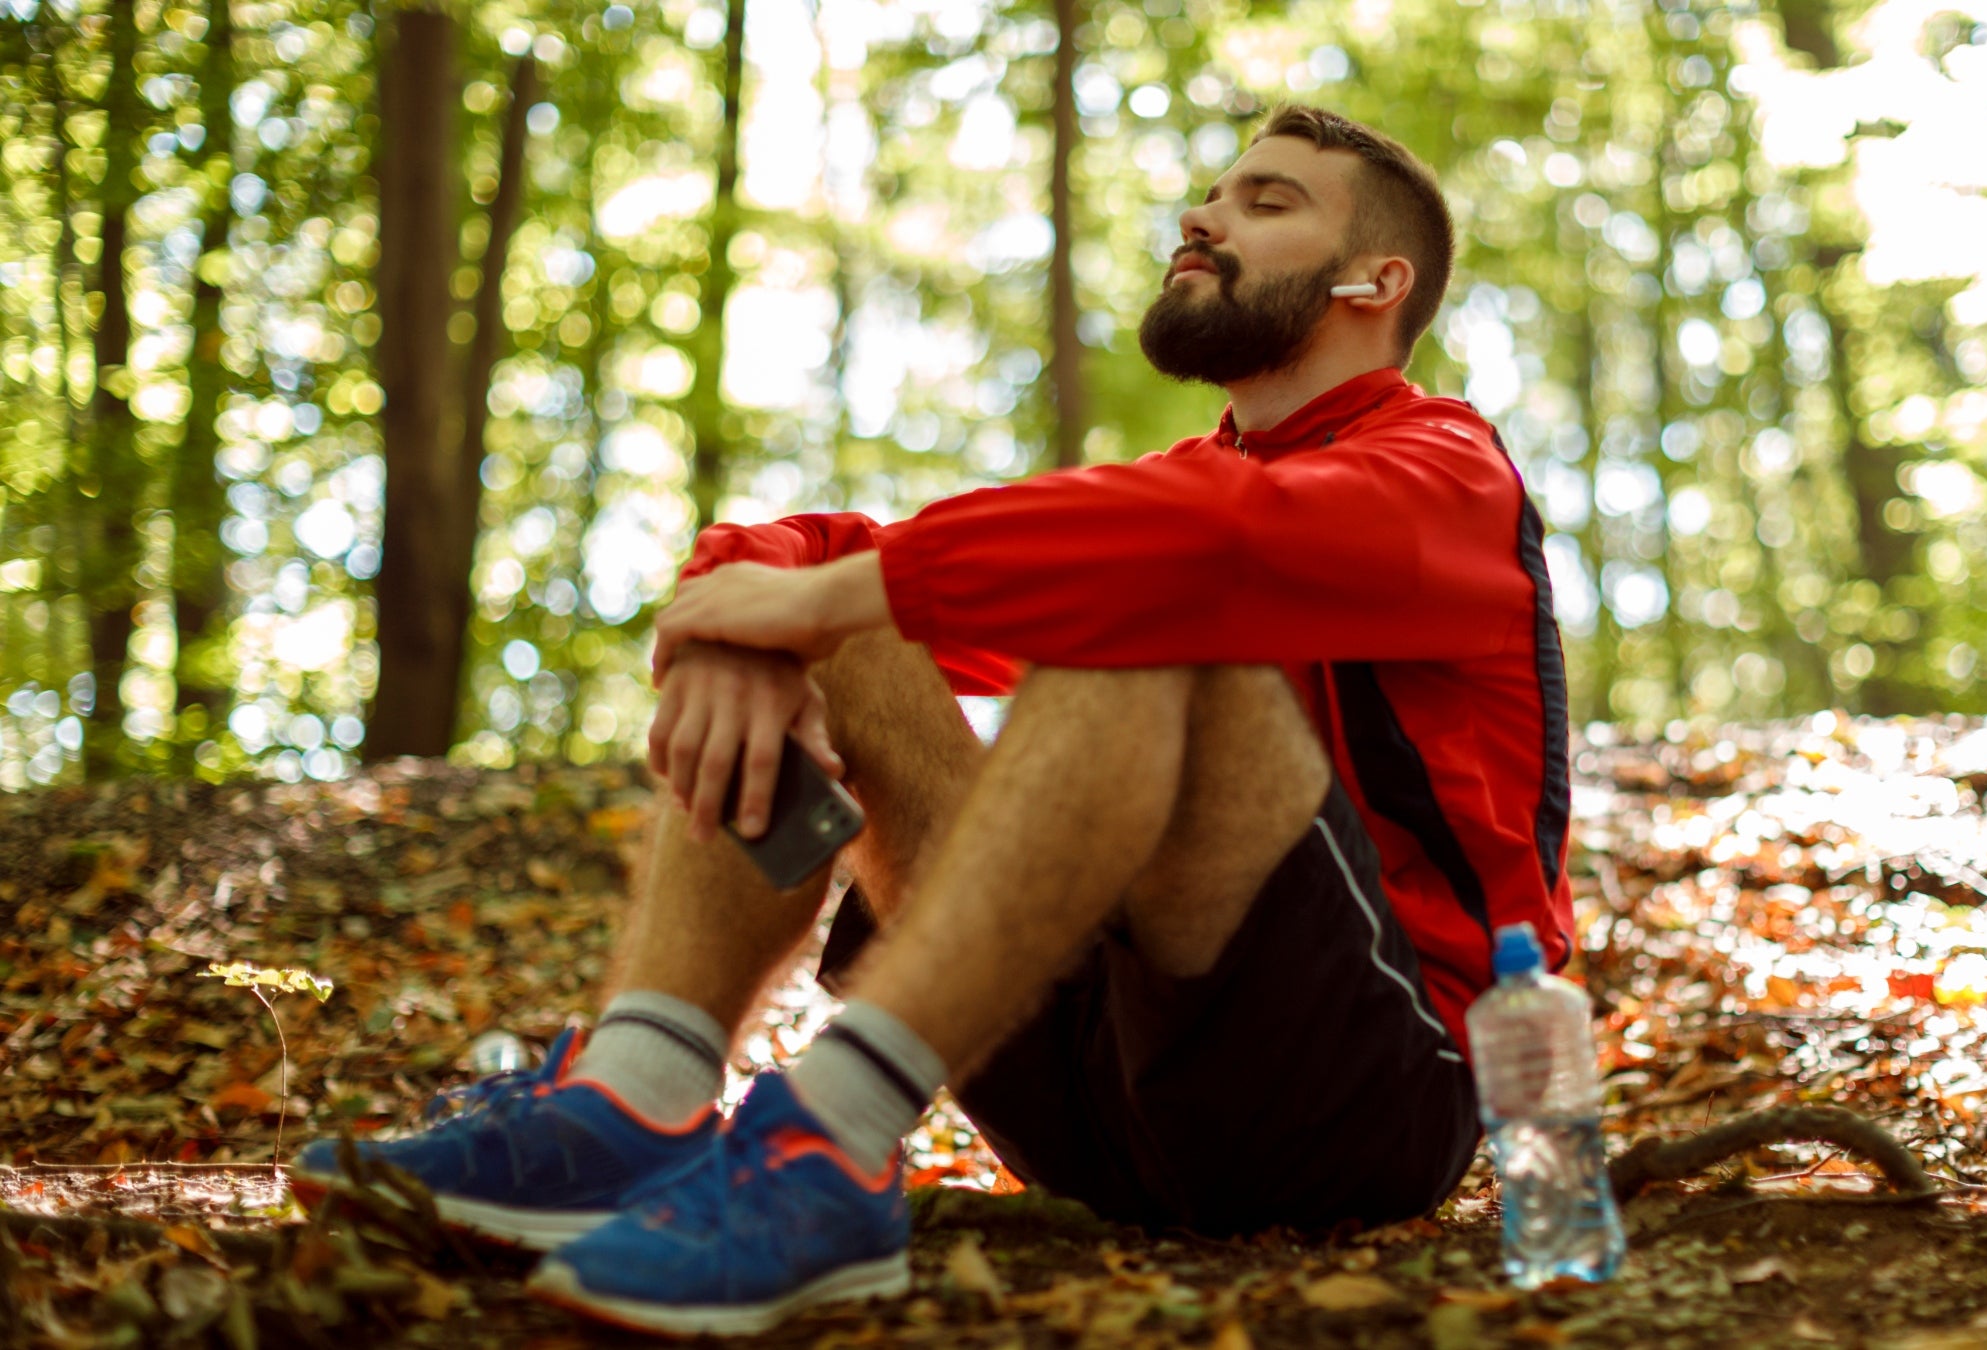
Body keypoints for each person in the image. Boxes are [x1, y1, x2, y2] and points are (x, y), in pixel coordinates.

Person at [294, 104, 1575, 1337]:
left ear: (1373, 282)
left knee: (1136, 604)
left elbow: (1202, 554)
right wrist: (738, 620)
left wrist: (811, 596)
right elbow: (841, 554)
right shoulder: (1185, 483)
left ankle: (827, 1136)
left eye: (1265, 200)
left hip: (1364, 1098)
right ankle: (635, 1095)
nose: (1200, 216)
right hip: (1087, 1096)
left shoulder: (1446, 472)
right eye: (1210, 191)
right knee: (849, 623)